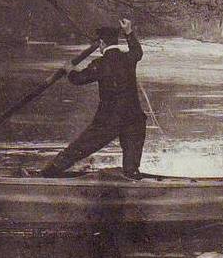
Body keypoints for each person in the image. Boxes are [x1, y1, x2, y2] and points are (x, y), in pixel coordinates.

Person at [40, 18, 147, 179]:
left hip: (108, 119)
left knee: (79, 148)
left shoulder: (100, 63)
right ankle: (132, 180)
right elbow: (138, 51)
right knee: (131, 168)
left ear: (101, 44)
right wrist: (129, 31)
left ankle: (49, 173)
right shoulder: (128, 57)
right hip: (134, 118)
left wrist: (70, 69)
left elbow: (78, 79)